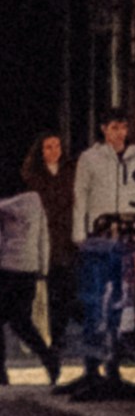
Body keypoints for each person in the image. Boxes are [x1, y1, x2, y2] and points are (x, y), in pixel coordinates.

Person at [67, 107, 135, 392]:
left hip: (129, 239)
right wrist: (80, 234)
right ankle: (92, 368)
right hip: (99, 237)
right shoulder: (90, 158)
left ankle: (115, 365)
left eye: (123, 127)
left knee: (123, 301)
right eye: (114, 127)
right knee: (95, 302)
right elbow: (80, 195)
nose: (120, 132)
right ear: (104, 129)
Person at [0, 131, 58, 384]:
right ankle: (48, 357)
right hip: (29, 269)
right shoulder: (35, 200)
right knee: (20, 321)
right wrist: (42, 268)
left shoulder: (7, 206)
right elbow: (43, 235)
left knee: (16, 322)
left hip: (7, 267)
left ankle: (2, 372)